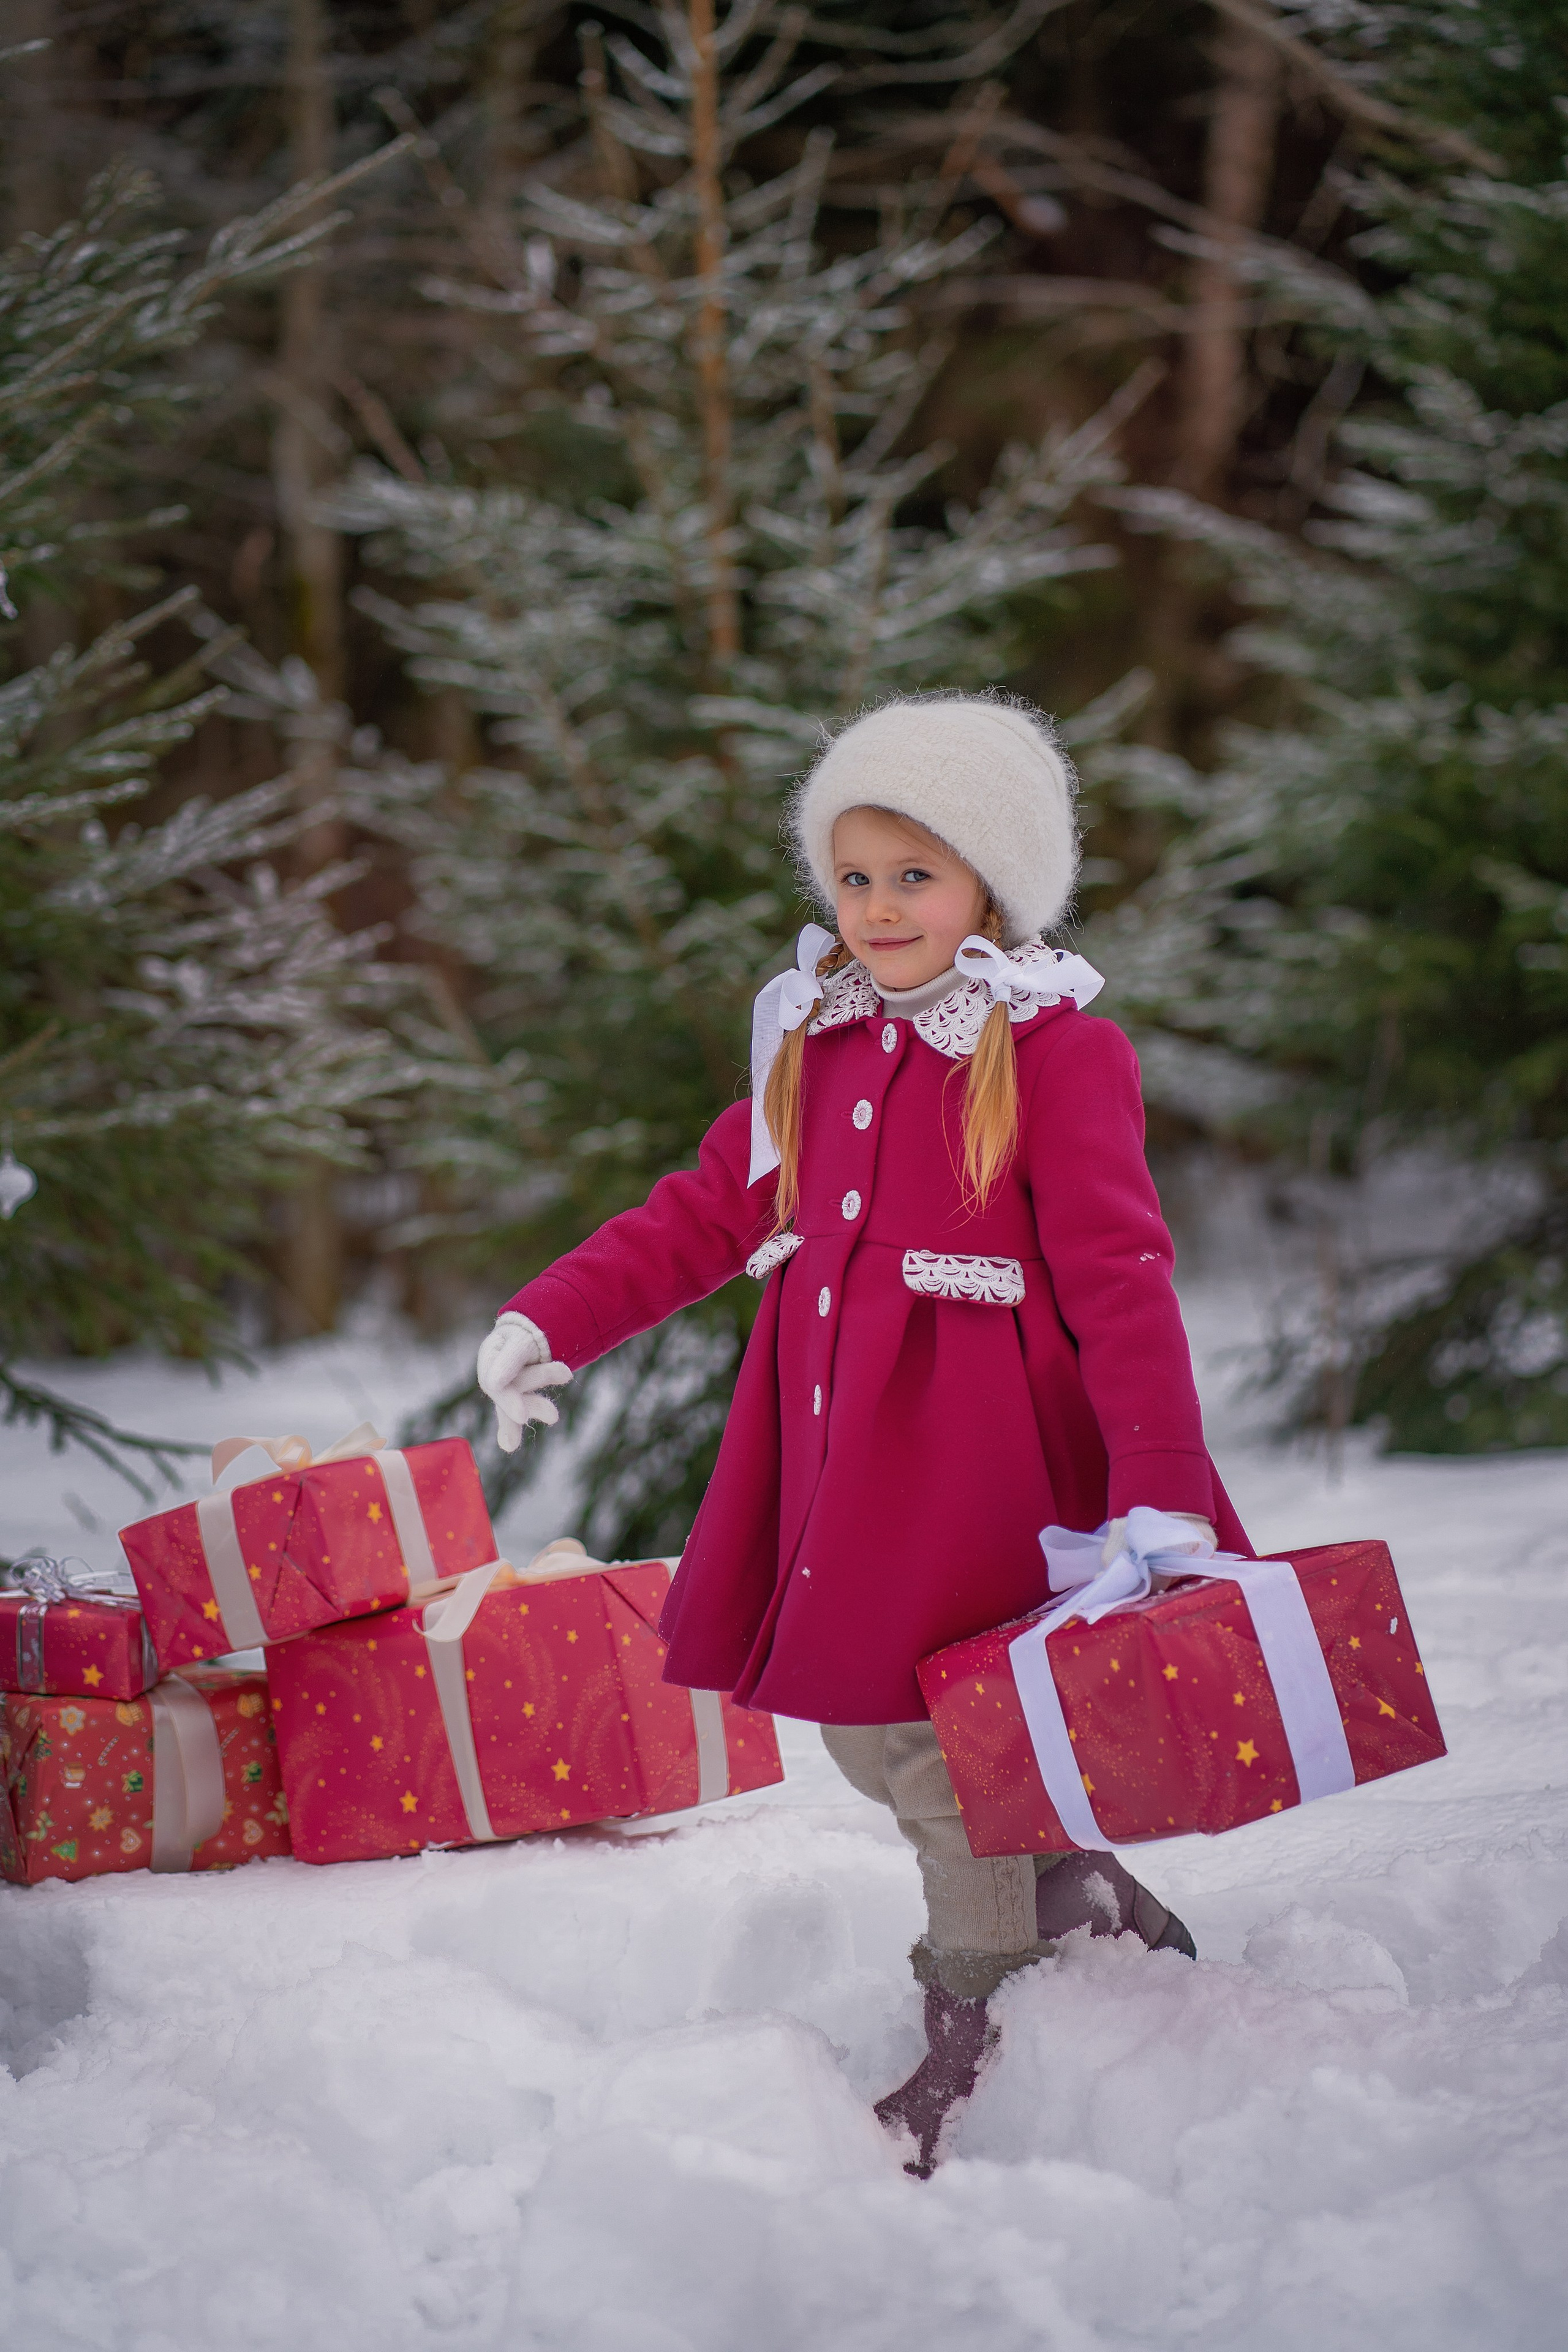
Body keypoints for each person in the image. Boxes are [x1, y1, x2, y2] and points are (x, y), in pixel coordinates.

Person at [477, 692, 1251, 2177]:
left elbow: (1117, 1273)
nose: (879, 908)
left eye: (915, 874)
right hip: (835, 1443)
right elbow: (706, 1209)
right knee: (857, 1725)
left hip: (983, 1459)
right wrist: (551, 1316)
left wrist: (1156, 1482)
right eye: (853, 876)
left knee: (947, 1743)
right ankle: (1074, 1894)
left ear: (989, 883)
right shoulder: (813, 1033)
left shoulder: (1052, 1048)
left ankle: (979, 2007)